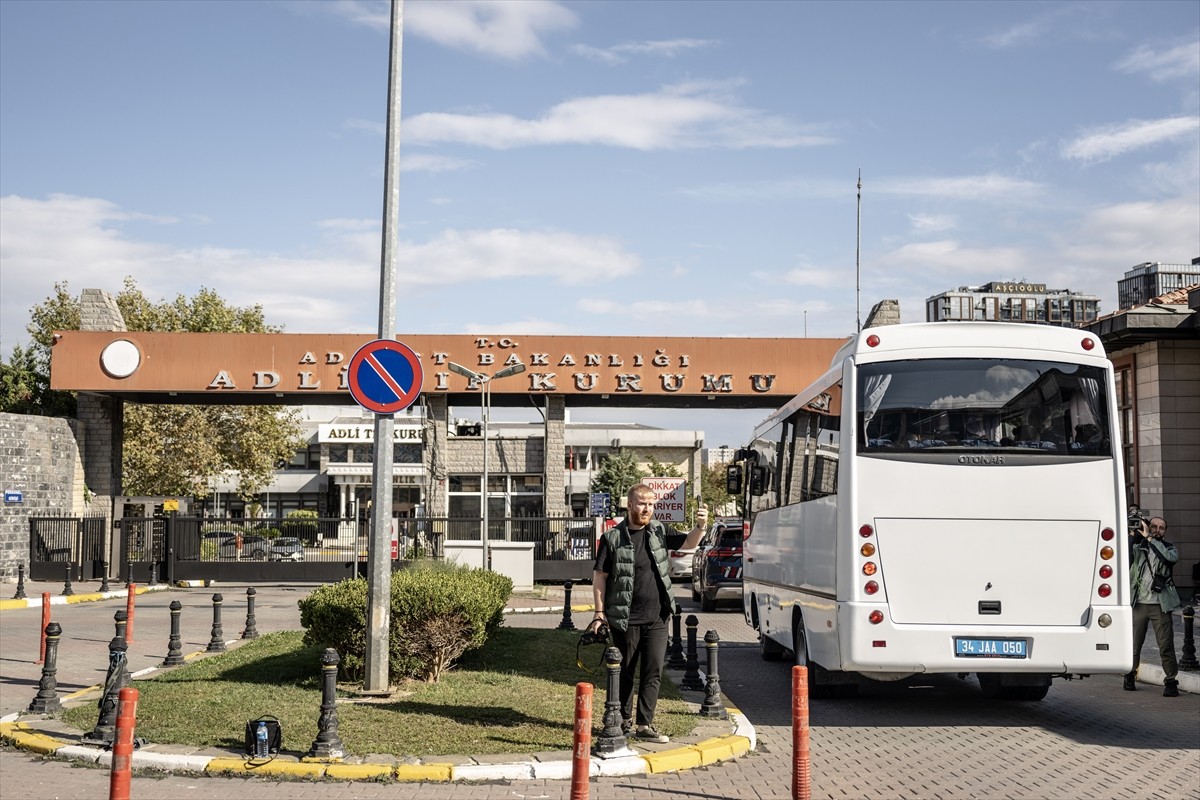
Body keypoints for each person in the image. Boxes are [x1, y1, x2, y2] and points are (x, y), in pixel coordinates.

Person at [588, 485, 707, 743]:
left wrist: (700, 527)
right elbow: (600, 577)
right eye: (642, 504)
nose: (647, 509)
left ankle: (645, 724)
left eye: (651, 504)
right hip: (626, 618)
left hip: (657, 617)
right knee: (626, 671)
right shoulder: (613, 538)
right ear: (629, 505)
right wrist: (599, 613)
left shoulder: (658, 531)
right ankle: (622, 721)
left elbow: (688, 543)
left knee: (653, 672)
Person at [1125, 513, 1181, 697]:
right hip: (1139, 603)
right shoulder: (1139, 546)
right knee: (1134, 644)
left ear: (1165, 531)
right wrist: (1133, 535)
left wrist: (1150, 538)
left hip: (1160, 604)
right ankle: (1130, 675)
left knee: (1165, 645)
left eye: (1161, 528)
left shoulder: (1169, 547)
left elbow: (1169, 558)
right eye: (1154, 526)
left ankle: (1171, 680)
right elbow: (1125, 558)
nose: (1157, 530)